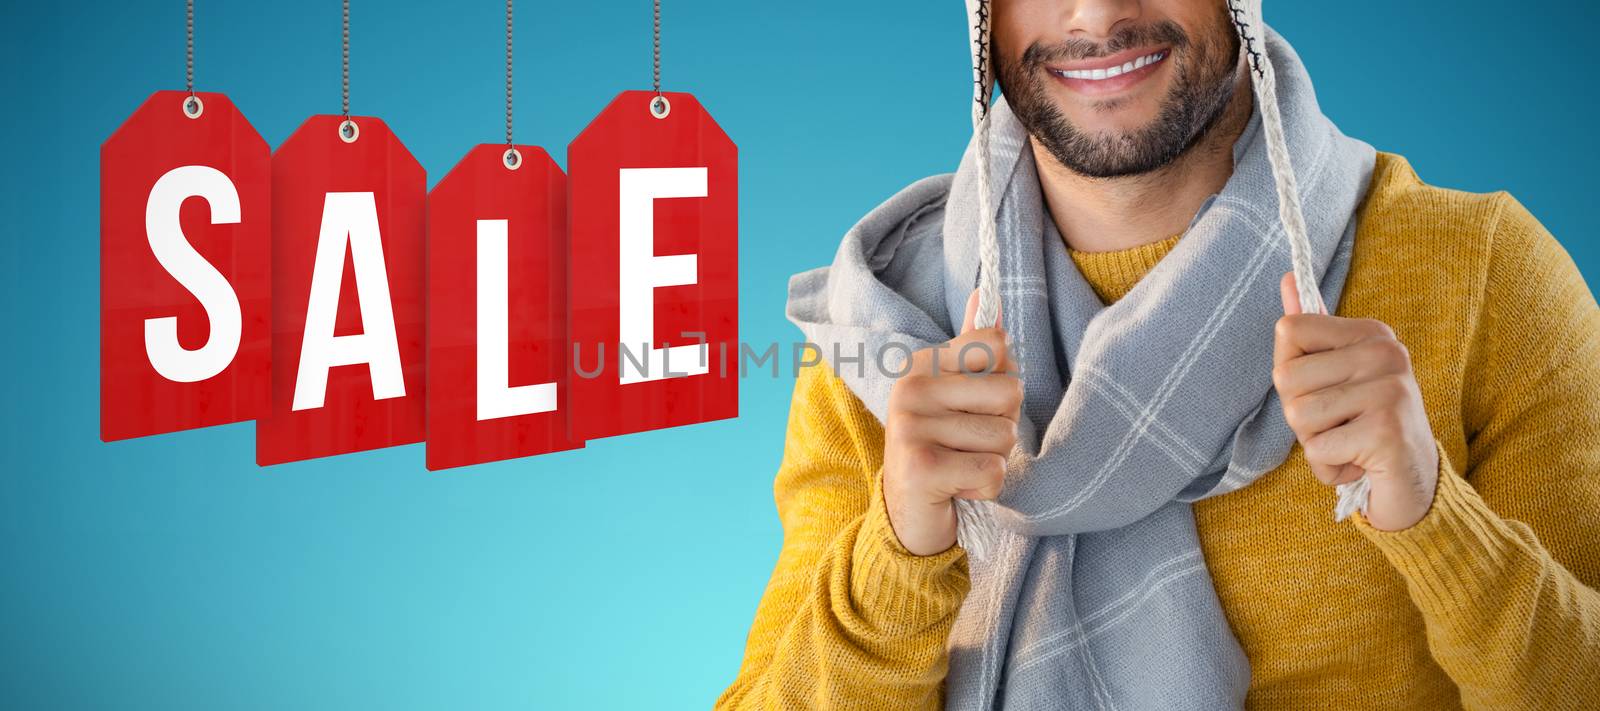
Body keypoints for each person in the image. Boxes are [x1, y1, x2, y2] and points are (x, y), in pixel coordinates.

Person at [718, 1, 1600, 708]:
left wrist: (1433, 518)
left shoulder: (1481, 272)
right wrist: (900, 547)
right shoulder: (889, 336)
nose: (1096, 16)